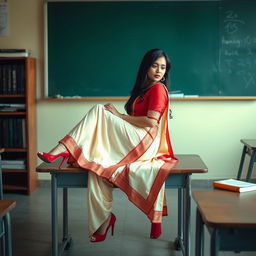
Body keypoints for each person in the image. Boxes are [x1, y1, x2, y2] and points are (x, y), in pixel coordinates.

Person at [37, 48, 178, 242]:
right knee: (97, 167)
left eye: (163, 67)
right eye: (155, 65)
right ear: (146, 67)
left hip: (145, 142)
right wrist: (119, 118)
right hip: (136, 137)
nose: (159, 70)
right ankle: (104, 221)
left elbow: (150, 122)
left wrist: (118, 116)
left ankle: (62, 149)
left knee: (97, 110)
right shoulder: (144, 90)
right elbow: (134, 121)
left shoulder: (158, 89)